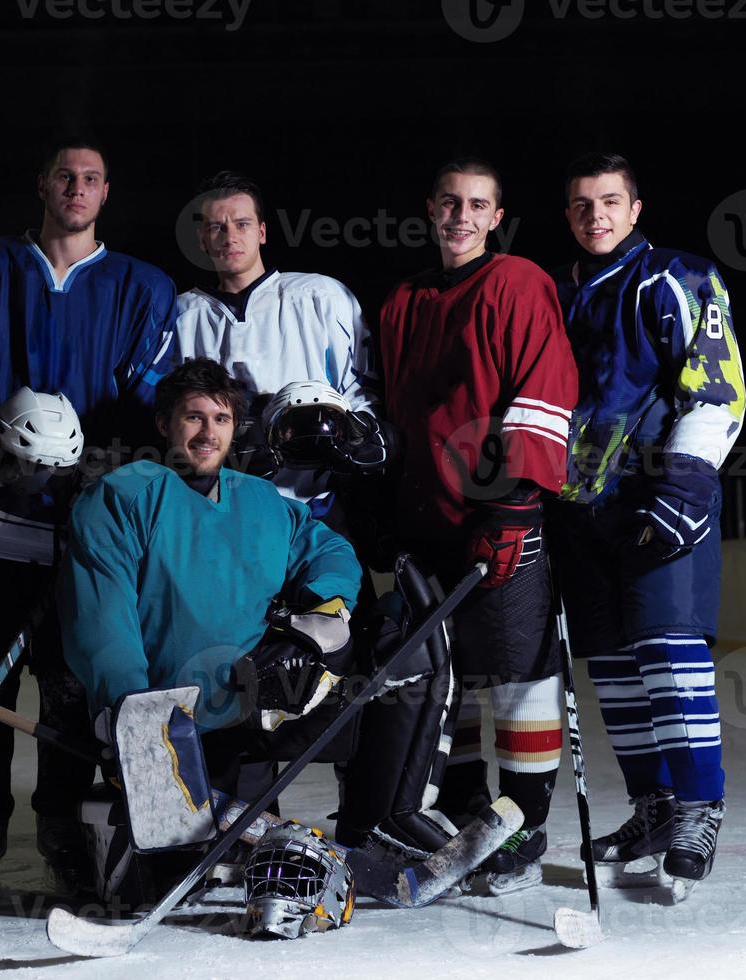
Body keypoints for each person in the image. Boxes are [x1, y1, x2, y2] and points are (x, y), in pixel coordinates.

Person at [57, 357, 461, 897]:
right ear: (163, 425)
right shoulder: (123, 497)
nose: (207, 433)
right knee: (175, 878)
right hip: (165, 725)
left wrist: (315, 622)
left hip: (251, 711)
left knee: (399, 651)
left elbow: (331, 551)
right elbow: (102, 622)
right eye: (193, 417)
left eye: (220, 419)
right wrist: (137, 721)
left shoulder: (260, 500)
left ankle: (383, 825)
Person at [0, 137, 178, 895]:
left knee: (69, 682)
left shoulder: (143, 285)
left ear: (107, 193)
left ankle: (59, 816)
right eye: (65, 175)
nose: (77, 187)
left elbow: (153, 388)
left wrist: (121, 456)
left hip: (88, 522)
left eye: (92, 178)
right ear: (41, 184)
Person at [376, 157, 579, 893]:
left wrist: (513, 503)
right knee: (446, 683)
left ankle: (520, 827)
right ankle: (467, 820)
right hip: (425, 521)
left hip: (497, 520)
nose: (460, 216)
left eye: (476, 205)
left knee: (518, 680)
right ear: (430, 209)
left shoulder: (517, 282)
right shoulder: (403, 298)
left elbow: (545, 385)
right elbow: (400, 412)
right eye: (449, 203)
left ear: (495, 218)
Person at [549, 152, 746, 897]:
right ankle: (653, 809)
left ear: (635, 210)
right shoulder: (560, 293)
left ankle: (698, 807)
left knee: (667, 656)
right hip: (581, 512)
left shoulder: (676, 276)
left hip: (657, 498)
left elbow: (715, 387)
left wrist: (687, 482)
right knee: (613, 669)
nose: (593, 215)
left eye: (608, 201)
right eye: (578, 204)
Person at [172, 171, 388, 531]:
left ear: (262, 232)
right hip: (222, 510)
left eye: (242, 224)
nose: (230, 237)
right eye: (216, 227)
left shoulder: (321, 296)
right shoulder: (180, 315)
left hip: (319, 507)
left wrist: (358, 433)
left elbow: (361, 391)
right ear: (201, 238)